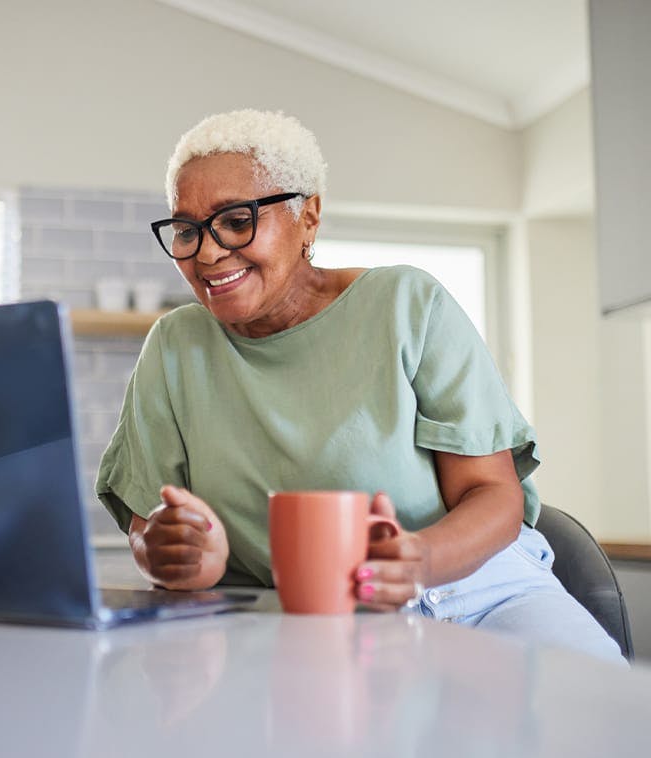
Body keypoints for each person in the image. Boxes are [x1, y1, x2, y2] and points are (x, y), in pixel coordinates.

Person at [97, 108, 622, 662]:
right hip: (306, 625)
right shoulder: (174, 347)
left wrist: (417, 561)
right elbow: (150, 529)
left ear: (309, 216)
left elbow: (493, 494)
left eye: (237, 220)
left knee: (595, 726)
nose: (206, 252)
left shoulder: (407, 306)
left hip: (477, 595)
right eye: (187, 229)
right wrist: (171, 554)